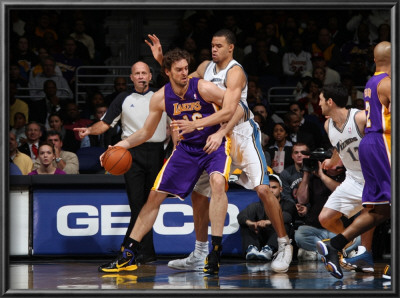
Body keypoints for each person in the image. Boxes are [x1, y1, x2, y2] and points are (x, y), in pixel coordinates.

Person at [146, 30, 293, 274]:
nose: (213, 49)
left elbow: (233, 109)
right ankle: (200, 251)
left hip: (240, 134)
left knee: (264, 189)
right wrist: (162, 60)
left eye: (219, 46)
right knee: (199, 195)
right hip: (213, 137)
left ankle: (284, 244)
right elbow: (181, 80)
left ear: (231, 48)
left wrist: (217, 132)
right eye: (212, 45)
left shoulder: (235, 72)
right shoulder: (205, 67)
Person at [96, 48, 231, 275]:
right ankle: (128, 254)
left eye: (186, 68)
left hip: (213, 145)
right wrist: (119, 146)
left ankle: (215, 253)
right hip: (187, 150)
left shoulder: (203, 87)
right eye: (179, 70)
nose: (184, 73)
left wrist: (219, 133)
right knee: (153, 197)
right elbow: (145, 132)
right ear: (167, 72)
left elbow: (235, 108)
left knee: (217, 182)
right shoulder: (161, 97)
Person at [74, 61, 167, 266]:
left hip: (156, 152)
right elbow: (105, 123)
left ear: (150, 76)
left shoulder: (161, 95)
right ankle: (141, 251)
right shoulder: (123, 98)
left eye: (144, 73)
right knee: (137, 204)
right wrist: (89, 130)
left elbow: (173, 125)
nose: (141, 76)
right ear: (131, 78)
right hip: (130, 153)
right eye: (137, 73)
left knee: (150, 204)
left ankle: (133, 250)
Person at [316, 42, 391, 280]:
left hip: (370, 163)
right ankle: (348, 247)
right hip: (369, 161)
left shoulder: (362, 107)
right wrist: (332, 162)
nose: (317, 103)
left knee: (378, 211)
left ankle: (355, 249)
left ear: (330, 101)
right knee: (330, 217)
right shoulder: (328, 124)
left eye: (319, 99)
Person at [294, 157, 360, 261]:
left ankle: (319, 254)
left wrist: (322, 175)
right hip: (316, 228)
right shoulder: (313, 178)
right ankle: (338, 252)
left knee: (358, 238)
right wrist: (306, 174)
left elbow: (341, 191)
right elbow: (301, 200)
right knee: (300, 234)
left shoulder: (348, 176)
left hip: (339, 227)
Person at [238, 174, 296, 261]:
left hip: (277, 240)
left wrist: (268, 222)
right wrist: (251, 223)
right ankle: (252, 249)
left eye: (274, 187)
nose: (270, 190)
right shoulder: (257, 205)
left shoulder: (288, 204)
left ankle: (270, 249)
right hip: (261, 239)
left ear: (281, 189)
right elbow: (241, 216)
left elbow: (287, 216)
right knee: (246, 224)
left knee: (284, 224)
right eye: (268, 187)